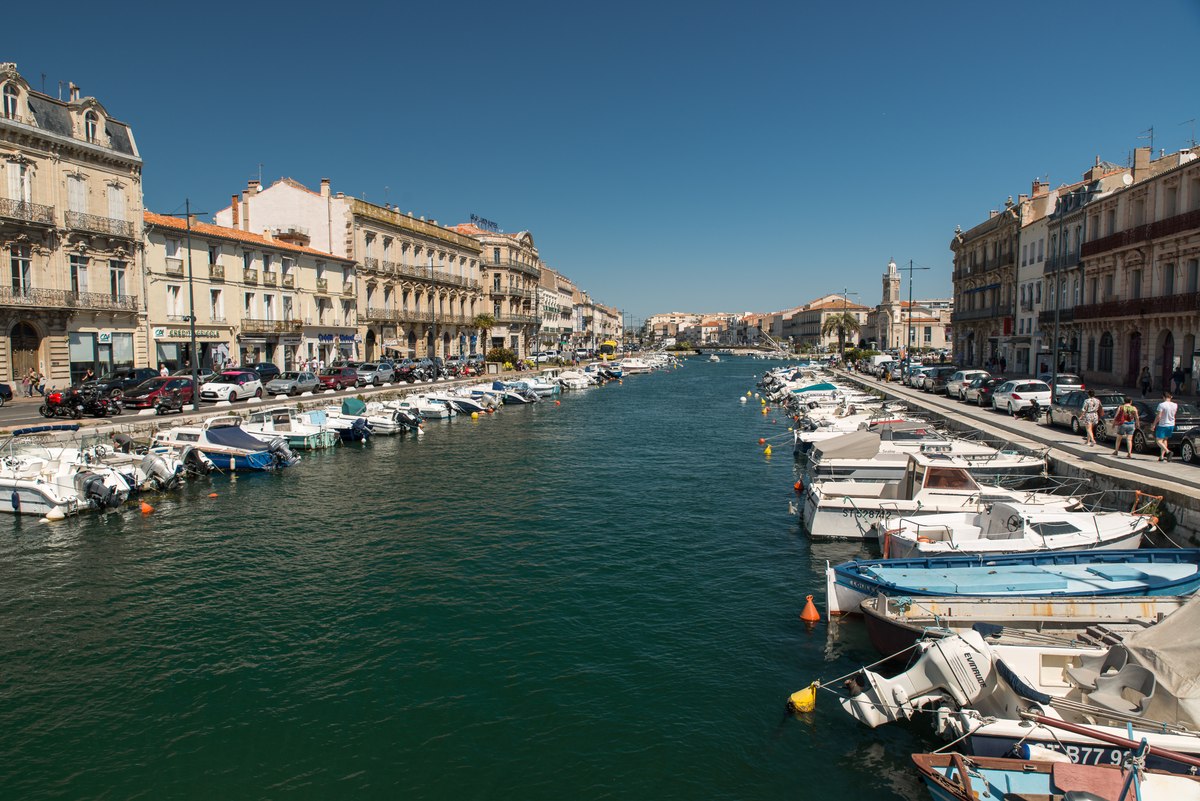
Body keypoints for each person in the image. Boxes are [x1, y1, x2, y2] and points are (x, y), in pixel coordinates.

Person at [1154, 391, 1178, 462]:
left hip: (1163, 424)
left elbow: (1159, 416)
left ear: (1163, 397)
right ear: (1171, 397)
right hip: (1171, 424)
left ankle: (1168, 452)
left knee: (1158, 440)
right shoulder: (1175, 405)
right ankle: (1161, 456)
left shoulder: (1161, 405)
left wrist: (1154, 424)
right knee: (1165, 440)